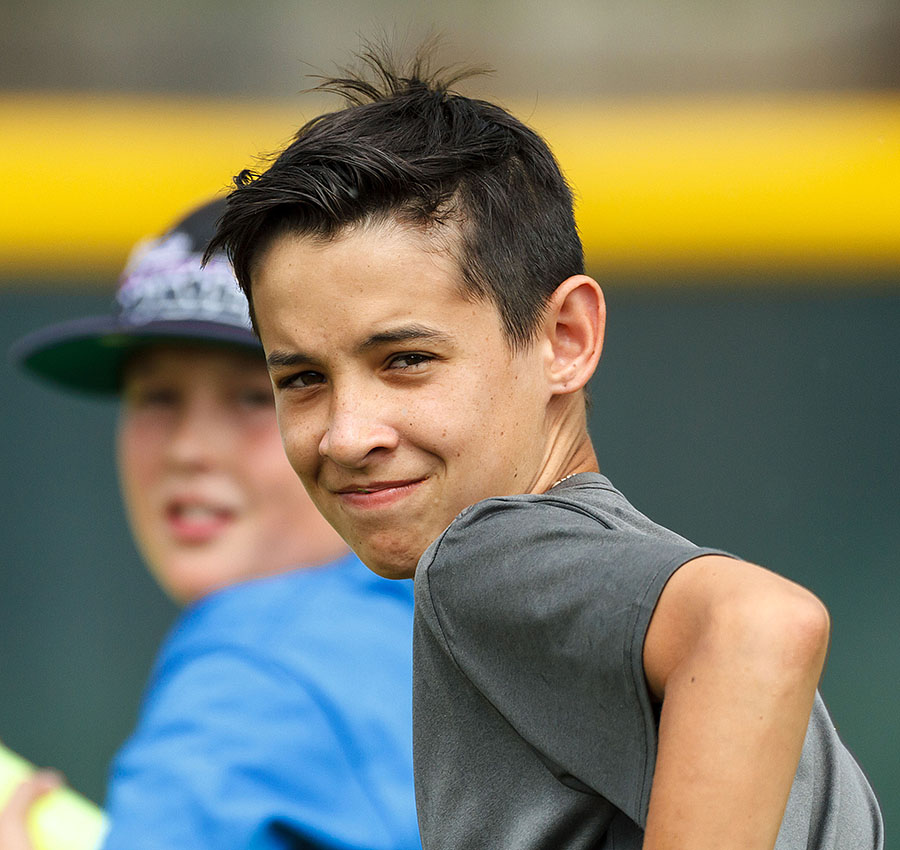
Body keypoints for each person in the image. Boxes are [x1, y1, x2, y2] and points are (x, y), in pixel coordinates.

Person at [205, 47, 884, 850]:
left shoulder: (483, 556)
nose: (349, 434)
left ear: (566, 337)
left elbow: (761, 626)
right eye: (302, 379)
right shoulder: (626, 596)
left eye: (407, 360)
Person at [3, 197, 422, 850]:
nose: (188, 448)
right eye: (157, 396)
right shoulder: (452, 613)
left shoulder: (247, 667)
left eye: (257, 395)